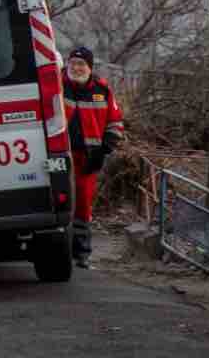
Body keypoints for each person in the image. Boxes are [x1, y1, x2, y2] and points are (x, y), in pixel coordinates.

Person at [63, 46, 125, 268]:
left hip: (89, 158)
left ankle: (81, 254)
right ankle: (59, 251)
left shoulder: (102, 89)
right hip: (60, 154)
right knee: (58, 202)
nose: (76, 68)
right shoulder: (56, 84)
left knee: (83, 205)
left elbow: (115, 122)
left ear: (89, 68)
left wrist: (104, 150)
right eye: (73, 64)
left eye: (81, 65)